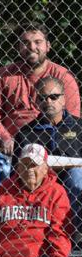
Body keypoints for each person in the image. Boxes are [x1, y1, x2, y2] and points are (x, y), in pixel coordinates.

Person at [0, 22, 81, 156]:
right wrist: (5, 137)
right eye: (25, 42)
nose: (31, 47)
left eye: (38, 42)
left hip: (54, 147)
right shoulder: (4, 76)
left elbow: (73, 119)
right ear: (18, 47)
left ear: (48, 46)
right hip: (13, 148)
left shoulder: (63, 77)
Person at [14, 76, 82, 247]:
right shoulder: (25, 133)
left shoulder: (79, 127)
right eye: (42, 97)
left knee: (76, 176)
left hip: (72, 186)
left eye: (54, 96)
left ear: (64, 99)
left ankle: (72, 232)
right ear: (36, 101)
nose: (48, 101)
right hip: (39, 184)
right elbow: (16, 172)